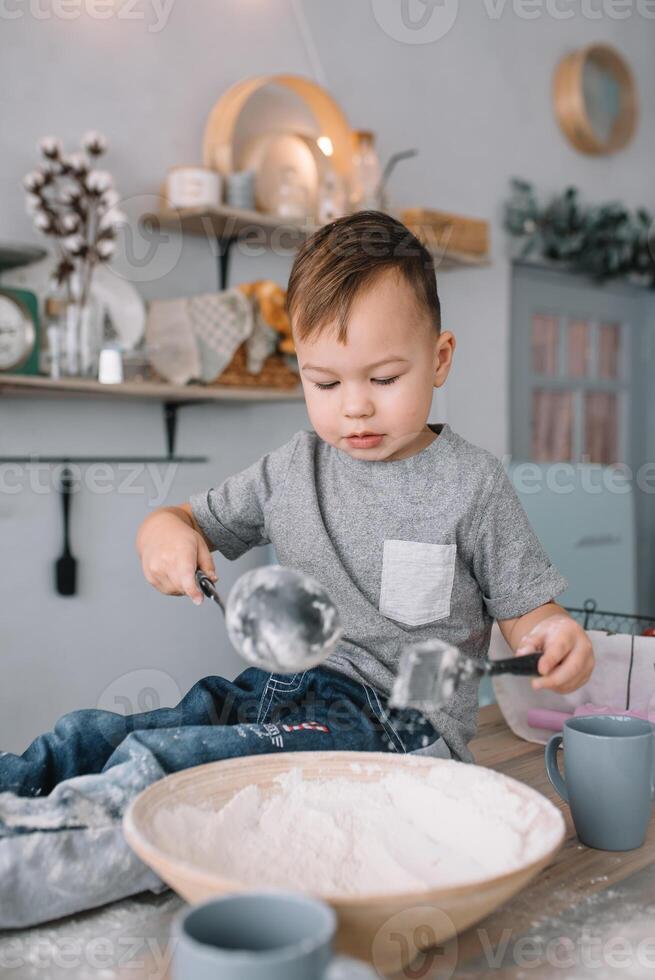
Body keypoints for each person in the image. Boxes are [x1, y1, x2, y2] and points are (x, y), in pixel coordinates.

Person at [1, 211, 595, 799]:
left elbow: (528, 614)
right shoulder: (291, 469)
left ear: (439, 359)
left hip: (398, 733)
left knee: (170, 769)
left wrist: (552, 634)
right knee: (100, 737)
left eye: (384, 379)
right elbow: (182, 520)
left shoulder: (473, 485)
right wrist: (162, 533)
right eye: (326, 384)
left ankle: (50, 838)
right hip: (281, 692)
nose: (354, 407)